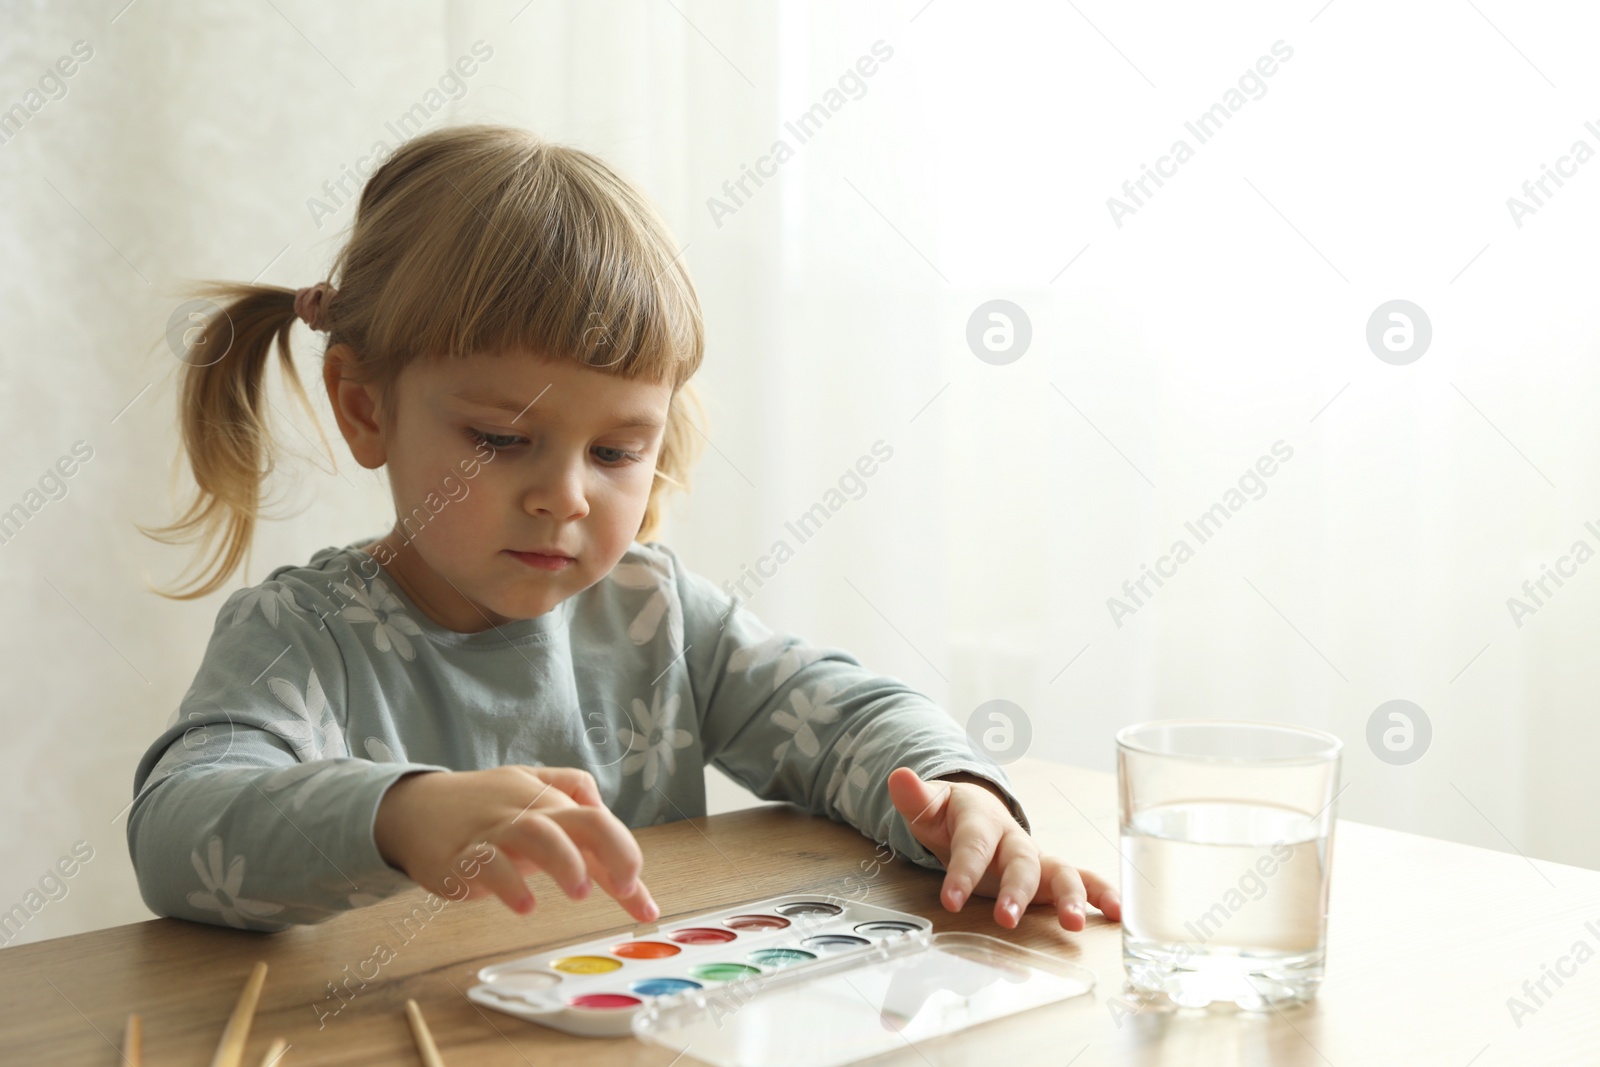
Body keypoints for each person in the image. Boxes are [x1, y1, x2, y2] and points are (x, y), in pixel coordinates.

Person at [128, 124, 1121, 936]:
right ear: (364, 406)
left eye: (613, 452)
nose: (565, 495)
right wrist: (398, 814)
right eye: (502, 438)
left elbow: (841, 713)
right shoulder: (305, 636)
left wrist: (956, 795)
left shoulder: (650, 611)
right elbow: (176, 835)